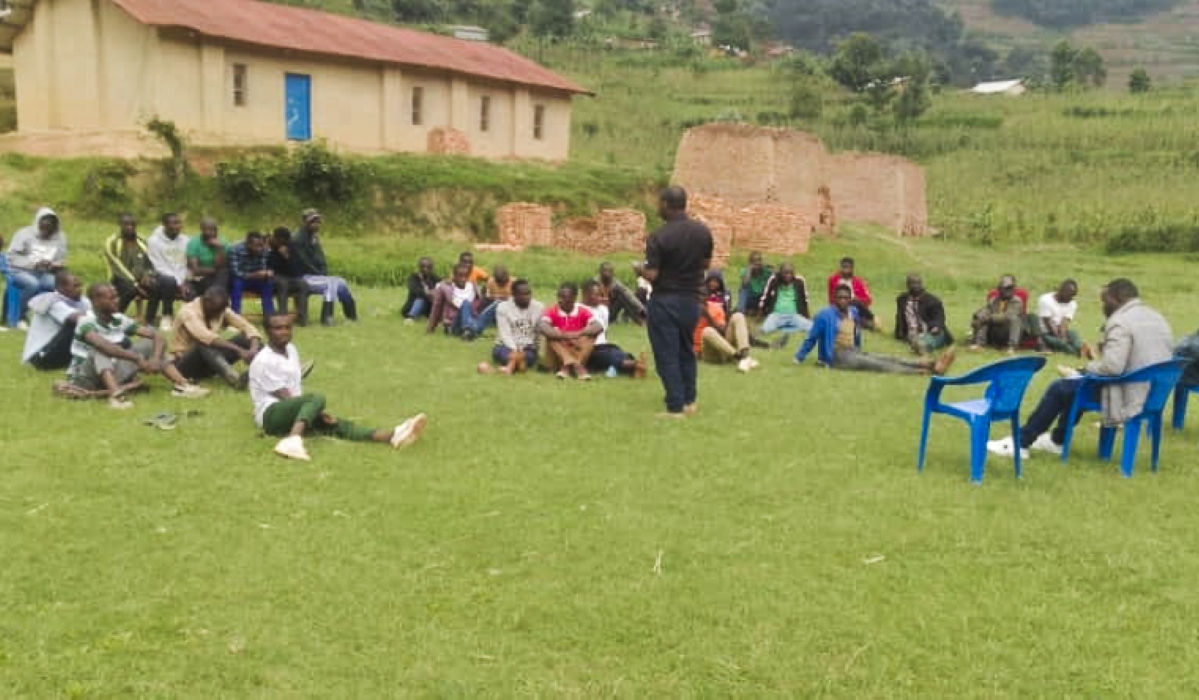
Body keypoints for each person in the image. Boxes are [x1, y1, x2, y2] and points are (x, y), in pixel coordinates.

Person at [988, 278, 1174, 459]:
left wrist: (1087, 369)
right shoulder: (1157, 317)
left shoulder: (1120, 322)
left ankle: (1020, 443)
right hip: (1154, 394)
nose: (1103, 307)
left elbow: (1112, 367)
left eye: (1105, 301)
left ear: (1117, 298)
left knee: (1060, 387)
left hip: (1128, 394)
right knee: (1075, 385)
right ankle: (1056, 440)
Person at [250, 314, 427, 461]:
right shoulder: (264, 360)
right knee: (317, 398)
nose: (284, 332)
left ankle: (390, 436)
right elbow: (285, 397)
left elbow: (295, 395)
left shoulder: (291, 349)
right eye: (278, 328)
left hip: (295, 410)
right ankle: (292, 440)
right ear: (267, 331)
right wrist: (314, 410)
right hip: (270, 416)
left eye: (288, 327)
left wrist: (315, 414)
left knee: (336, 424)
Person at [63, 282, 208, 409]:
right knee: (101, 350)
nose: (117, 301)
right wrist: (138, 359)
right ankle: (116, 397)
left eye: (117, 296)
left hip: (109, 371)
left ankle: (182, 385)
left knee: (149, 343)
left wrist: (155, 360)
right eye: (111, 298)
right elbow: (104, 346)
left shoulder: (119, 319)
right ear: (95, 301)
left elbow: (156, 336)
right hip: (84, 378)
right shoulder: (86, 321)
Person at [644, 186, 714, 416]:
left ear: (666, 204)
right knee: (686, 350)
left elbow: (652, 275)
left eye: (659, 203)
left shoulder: (658, 236)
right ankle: (689, 401)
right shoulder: (703, 232)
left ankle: (675, 407)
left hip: (664, 301)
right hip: (691, 301)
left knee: (667, 354)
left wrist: (639, 269)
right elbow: (705, 265)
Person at [796, 285, 956, 376]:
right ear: (834, 299)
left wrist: (858, 348)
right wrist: (799, 357)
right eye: (840, 298)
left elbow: (856, 333)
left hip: (853, 351)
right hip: (838, 356)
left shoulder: (853, 311)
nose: (843, 301)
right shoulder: (825, 316)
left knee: (886, 358)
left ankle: (931, 364)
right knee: (878, 365)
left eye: (846, 297)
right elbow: (811, 338)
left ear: (850, 298)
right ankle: (927, 372)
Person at [170, 287, 263, 389]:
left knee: (247, 338)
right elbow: (206, 337)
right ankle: (235, 380)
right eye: (215, 310)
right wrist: (239, 350)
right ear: (206, 300)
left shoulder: (220, 309)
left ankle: (262, 374)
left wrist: (253, 349)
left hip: (211, 361)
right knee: (203, 343)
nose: (218, 314)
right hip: (184, 365)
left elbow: (246, 326)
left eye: (220, 310)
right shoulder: (188, 312)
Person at [104, 213, 176, 323]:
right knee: (130, 290)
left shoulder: (142, 240)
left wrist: (148, 275)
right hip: (119, 278)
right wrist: (136, 284)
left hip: (140, 278)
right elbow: (117, 266)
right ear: (120, 225)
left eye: (133, 224)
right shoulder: (112, 242)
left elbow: (150, 261)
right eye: (126, 224)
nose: (130, 227)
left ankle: (149, 320)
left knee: (154, 286)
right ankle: (115, 318)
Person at [290, 209, 357, 326]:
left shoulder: (314, 237)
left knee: (341, 282)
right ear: (305, 222)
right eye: (313, 221)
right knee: (331, 283)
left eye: (318, 221)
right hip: (302, 277)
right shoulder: (297, 239)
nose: (316, 224)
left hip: (315, 276)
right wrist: (320, 274)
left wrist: (323, 271)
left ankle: (351, 316)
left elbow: (321, 258)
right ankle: (326, 317)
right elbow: (303, 263)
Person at [6, 207, 68, 325]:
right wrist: (34, 264)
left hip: (44, 272)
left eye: (50, 229)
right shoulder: (24, 234)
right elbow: (11, 257)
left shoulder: (60, 237)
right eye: (43, 228)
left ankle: (50, 316)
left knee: (58, 284)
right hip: (19, 270)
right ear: (37, 223)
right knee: (32, 284)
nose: (46, 232)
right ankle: (20, 316)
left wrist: (55, 265)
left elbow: (61, 259)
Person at [22, 271, 90, 370]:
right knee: (76, 324)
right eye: (75, 286)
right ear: (60, 288)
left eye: (80, 286)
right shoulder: (52, 301)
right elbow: (76, 318)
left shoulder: (82, 300)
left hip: (58, 351)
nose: (80, 289)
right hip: (40, 356)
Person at [580, 280, 646, 377]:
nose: (601, 298)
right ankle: (634, 365)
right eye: (597, 295)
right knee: (608, 356)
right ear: (585, 294)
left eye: (601, 295)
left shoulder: (603, 309)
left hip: (604, 345)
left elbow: (605, 332)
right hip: (589, 347)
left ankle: (620, 368)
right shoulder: (578, 308)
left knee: (618, 352)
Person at [538, 282, 603, 380]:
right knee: (551, 335)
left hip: (577, 352)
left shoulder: (582, 311)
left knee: (591, 335)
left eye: (564, 297)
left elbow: (598, 327)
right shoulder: (552, 310)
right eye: (559, 296)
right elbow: (542, 327)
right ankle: (573, 364)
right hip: (557, 358)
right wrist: (564, 336)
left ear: (574, 298)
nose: (560, 300)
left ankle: (569, 366)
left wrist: (579, 333)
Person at [695, 273, 757, 372]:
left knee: (738, 316)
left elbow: (722, 331)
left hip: (724, 349)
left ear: (707, 296)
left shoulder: (715, 307)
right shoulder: (686, 313)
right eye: (698, 296)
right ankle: (740, 358)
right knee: (707, 331)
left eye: (703, 295)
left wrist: (707, 316)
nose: (700, 298)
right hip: (709, 354)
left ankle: (745, 355)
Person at [146, 212, 192, 329]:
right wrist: (178, 282)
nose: (176, 226)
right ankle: (167, 315)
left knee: (194, 287)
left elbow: (188, 264)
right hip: (162, 277)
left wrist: (184, 281)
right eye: (173, 223)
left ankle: (189, 318)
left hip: (183, 277)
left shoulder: (186, 240)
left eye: (178, 223)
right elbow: (158, 266)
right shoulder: (153, 241)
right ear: (164, 225)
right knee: (169, 281)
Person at [492, 279, 543, 374]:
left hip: (527, 347)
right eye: (522, 294)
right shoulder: (503, 308)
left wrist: (536, 348)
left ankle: (510, 366)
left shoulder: (538, 307)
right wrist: (516, 352)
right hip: (505, 346)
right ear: (514, 295)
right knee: (504, 355)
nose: (526, 297)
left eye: (528, 294)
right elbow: (505, 334)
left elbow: (538, 332)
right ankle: (519, 364)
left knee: (530, 355)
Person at [894, 274, 953, 355]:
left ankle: (922, 347)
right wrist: (899, 334)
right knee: (914, 337)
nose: (916, 286)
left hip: (930, 331)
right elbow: (899, 317)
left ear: (922, 284)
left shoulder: (933, 300)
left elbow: (940, 318)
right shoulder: (902, 299)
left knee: (931, 338)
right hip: (913, 332)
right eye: (913, 283)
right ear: (907, 285)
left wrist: (936, 327)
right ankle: (918, 345)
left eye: (918, 283)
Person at [756, 262, 812, 349]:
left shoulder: (800, 281)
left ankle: (786, 329)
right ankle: (784, 329)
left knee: (812, 327)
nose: (788, 275)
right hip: (776, 315)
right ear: (780, 273)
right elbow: (765, 296)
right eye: (785, 273)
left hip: (794, 315)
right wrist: (760, 314)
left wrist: (807, 316)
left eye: (790, 273)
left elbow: (805, 299)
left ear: (794, 273)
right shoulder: (774, 280)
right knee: (765, 329)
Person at [970, 274, 1025, 354]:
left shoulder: (1017, 301)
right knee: (983, 317)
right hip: (995, 332)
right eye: (1007, 288)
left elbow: (1006, 317)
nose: (1010, 290)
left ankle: (1012, 347)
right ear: (999, 289)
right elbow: (987, 310)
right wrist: (978, 317)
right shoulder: (993, 300)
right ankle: (979, 344)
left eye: (1012, 288)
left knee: (1015, 319)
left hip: (1009, 332)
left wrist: (988, 318)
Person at [1036, 279, 1092, 357]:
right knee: (1063, 345)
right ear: (1061, 291)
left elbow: (1064, 322)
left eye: (1073, 295)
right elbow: (1048, 323)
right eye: (1070, 295)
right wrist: (1061, 338)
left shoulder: (1072, 303)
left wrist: (1063, 335)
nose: (1071, 298)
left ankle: (1081, 348)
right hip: (1046, 333)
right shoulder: (1045, 300)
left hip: (1061, 331)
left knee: (1073, 334)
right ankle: (1078, 353)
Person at [426, 262, 481, 340]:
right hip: (453, 323)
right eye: (460, 276)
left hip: (472, 321)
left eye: (466, 276)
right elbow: (436, 308)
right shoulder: (445, 288)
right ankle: (467, 331)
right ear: (454, 276)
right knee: (465, 303)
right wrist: (430, 328)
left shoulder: (473, 287)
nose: (463, 279)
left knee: (497, 304)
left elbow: (477, 308)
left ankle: (471, 330)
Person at [267, 227, 310, 326]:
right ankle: (283, 316)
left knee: (303, 284)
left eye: (283, 241)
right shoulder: (268, 246)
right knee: (283, 283)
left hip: (289, 276)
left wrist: (287, 257)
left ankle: (302, 317)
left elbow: (296, 271)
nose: (280, 242)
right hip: (273, 276)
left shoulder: (291, 247)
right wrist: (277, 253)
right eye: (277, 239)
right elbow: (270, 266)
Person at [228, 231, 277, 316]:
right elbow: (235, 273)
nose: (260, 248)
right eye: (257, 246)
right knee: (237, 284)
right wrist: (255, 275)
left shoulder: (264, 250)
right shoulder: (235, 249)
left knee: (268, 283)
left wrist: (267, 273)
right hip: (241, 279)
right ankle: (235, 316)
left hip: (256, 279)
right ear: (248, 245)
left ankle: (269, 316)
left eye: (261, 245)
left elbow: (264, 267)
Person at [827, 257, 877, 330]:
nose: (845, 270)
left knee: (855, 303)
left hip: (855, 307)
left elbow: (869, 300)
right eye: (843, 267)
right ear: (840, 267)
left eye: (848, 268)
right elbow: (831, 298)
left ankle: (867, 321)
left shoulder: (858, 282)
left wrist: (858, 299)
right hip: (838, 306)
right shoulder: (833, 280)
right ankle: (870, 320)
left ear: (852, 269)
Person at [186, 218, 229, 296]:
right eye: (208, 230)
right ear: (201, 230)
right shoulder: (194, 243)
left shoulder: (222, 242)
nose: (212, 233)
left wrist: (218, 248)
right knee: (219, 277)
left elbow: (221, 266)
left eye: (214, 230)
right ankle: (215, 298)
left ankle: (215, 298)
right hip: (199, 279)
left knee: (223, 274)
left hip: (218, 278)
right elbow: (195, 270)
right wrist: (214, 270)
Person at [475, 263, 513, 331]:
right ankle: (480, 320)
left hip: (508, 307)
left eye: (503, 282)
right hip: (493, 304)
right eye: (499, 282)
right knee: (486, 301)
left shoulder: (513, 282)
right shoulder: (491, 281)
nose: (501, 284)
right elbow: (488, 296)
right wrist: (497, 298)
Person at [401, 257, 440, 324]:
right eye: (423, 267)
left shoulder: (433, 277)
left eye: (428, 267)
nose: (425, 269)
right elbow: (415, 290)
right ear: (419, 267)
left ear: (432, 268)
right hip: (413, 305)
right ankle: (410, 317)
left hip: (428, 306)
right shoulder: (413, 277)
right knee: (421, 299)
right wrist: (429, 293)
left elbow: (441, 285)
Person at [737, 251, 772, 316]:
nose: (757, 263)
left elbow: (777, 277)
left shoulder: (766, 271)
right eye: (754, 261)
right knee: (743, 290)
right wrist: (749, 270)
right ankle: (741, 311)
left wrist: (772, 267)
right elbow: (745, 284)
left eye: (759, 260)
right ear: (750, 263)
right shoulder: (745, 271)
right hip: (750, 299)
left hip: (761, 299)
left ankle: (759, 311)